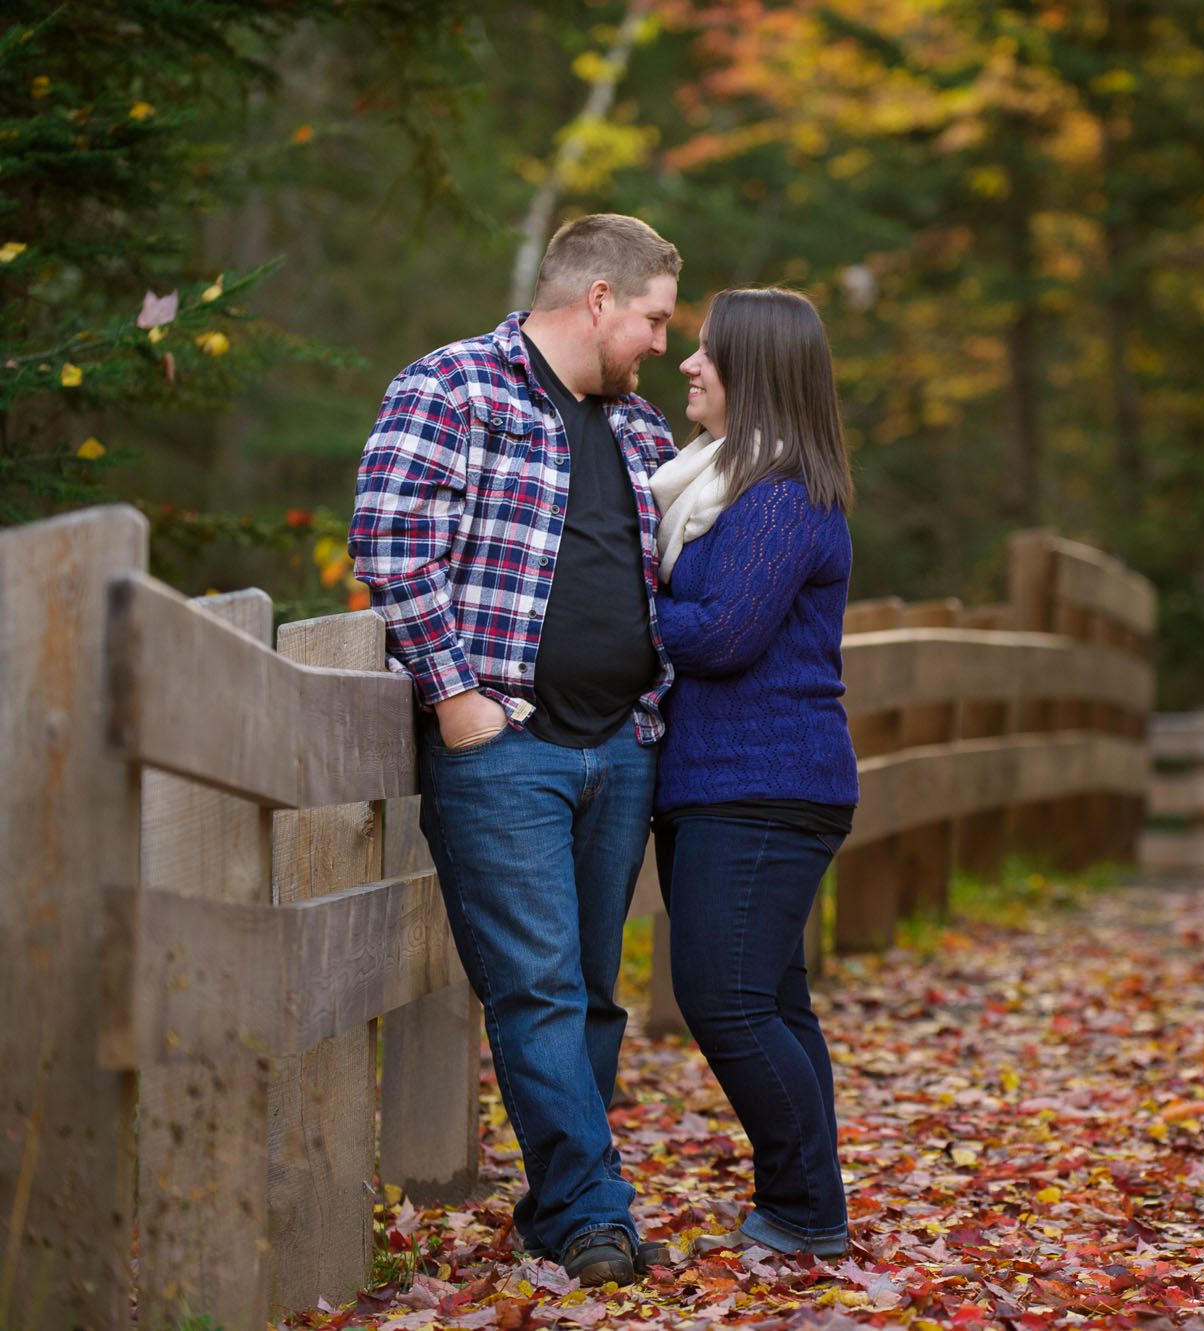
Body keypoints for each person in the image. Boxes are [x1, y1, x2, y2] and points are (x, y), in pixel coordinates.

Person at [349, 213, 681, 1285]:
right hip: (506, 746)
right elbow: (391, 536)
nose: (661, 344)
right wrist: (449, 693)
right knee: (535, 986)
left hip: (620, 744)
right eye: (653, 318)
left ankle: (555, 1206)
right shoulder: (452, 386)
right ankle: (594, 1212)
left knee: (589, 990)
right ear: (597, 300)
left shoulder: (639, 432)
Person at [647, 287, 858, 1258]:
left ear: (755, 374)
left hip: (765, 784)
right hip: (722, 781)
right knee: (770, 999)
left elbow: (725, 634)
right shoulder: (717, 486)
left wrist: (616, 623)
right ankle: (803, 1204)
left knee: (723, 996)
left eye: (706, 354)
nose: (687, 366)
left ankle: (806, 1209)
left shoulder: (781, 498)